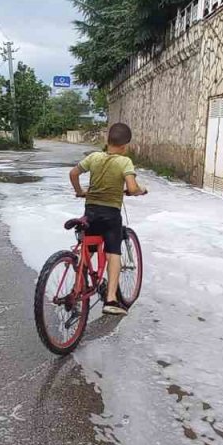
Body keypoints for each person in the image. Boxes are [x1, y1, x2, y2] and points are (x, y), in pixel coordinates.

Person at [69, 122, 147, 316]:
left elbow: (73, 173)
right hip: (110, 214)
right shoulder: (125, 162)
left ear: (107, 140)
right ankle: (111, 299)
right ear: (125, 145)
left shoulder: (94, 157)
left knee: (89, 249)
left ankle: (77, 289)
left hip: (91, 211)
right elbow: (132, 186)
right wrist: (138, 190)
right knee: (114, 253)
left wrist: (80, 192)